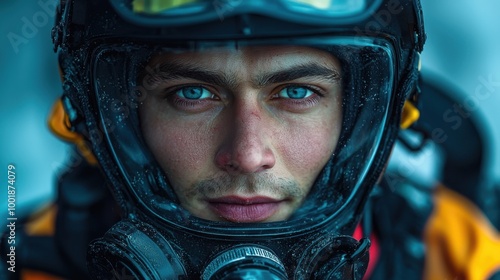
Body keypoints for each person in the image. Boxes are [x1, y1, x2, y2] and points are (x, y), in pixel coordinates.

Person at [1, 0, 500, 279]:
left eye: (298, 92)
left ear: (364, 115)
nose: (246, 155)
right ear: (109, 117)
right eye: (192, 93)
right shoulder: (19, 261)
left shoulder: (462, 259)